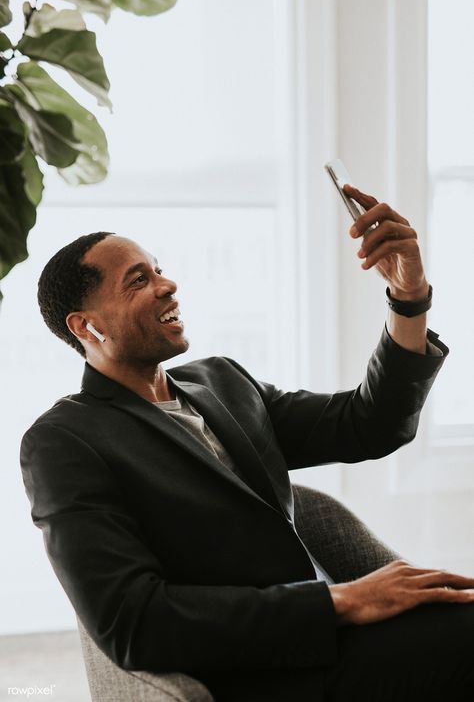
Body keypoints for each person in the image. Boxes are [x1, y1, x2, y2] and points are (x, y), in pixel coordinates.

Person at [20, 186, 474, 701]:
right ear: (87, 326)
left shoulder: (222, 381)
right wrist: (342, 602)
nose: (168, 285)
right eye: (138, 280)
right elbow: (133, 622)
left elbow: (369, 423)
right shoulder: (64, 442)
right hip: (265, 672)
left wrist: (408, 297)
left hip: (345, 643)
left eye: (159, 269)